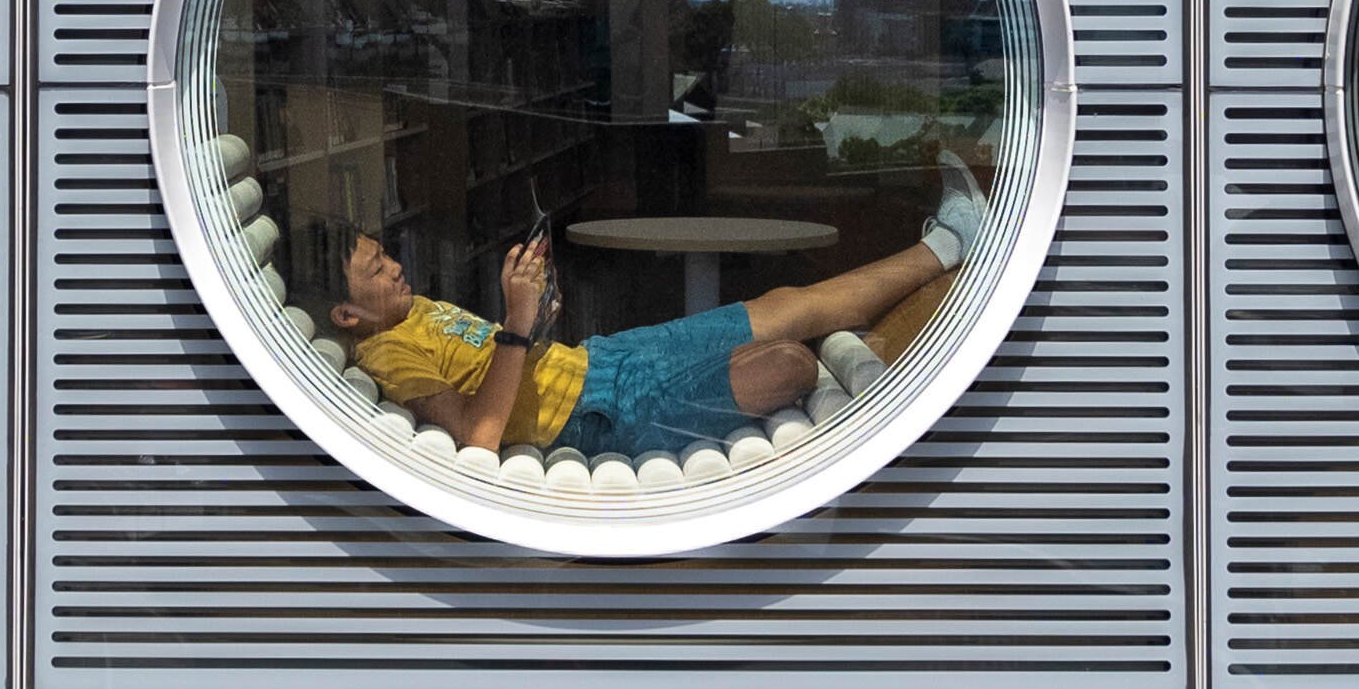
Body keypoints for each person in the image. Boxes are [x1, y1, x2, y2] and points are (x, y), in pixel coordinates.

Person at [328, 155, 988, 460]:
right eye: (374, 269)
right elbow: (477, 435)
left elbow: (503, 366)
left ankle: (948, 244)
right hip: (602, 418)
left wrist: (535, 324)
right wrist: (518, 322)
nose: (394, 265)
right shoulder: (389, 350)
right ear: (346, 317)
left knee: (785, 304)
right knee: (788, 366)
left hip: (606, 362)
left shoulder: (412, 313)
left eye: (386, 253)